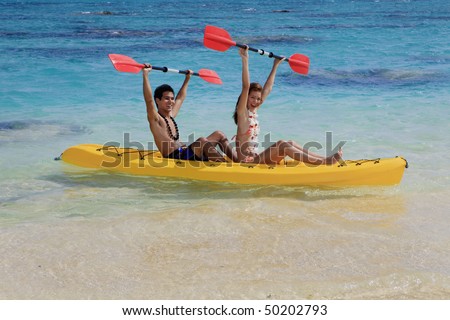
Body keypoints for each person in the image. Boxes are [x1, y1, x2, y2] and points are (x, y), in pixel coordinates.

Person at [233, 47, 343, 165]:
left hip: (257, 158)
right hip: (248, 163)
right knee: (283, 144)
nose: (255, 101)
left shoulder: (254, 111)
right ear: (246, 97)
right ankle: (323, 162)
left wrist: (275, 65)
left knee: (289, 142)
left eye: (258, 99)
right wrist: (245, 59)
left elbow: (268, 89)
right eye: (252, 97)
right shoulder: (243, 114)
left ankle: (324, 158)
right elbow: (245, 86)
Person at [142, 64, 236, 162]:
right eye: (166, 99)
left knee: (219, 134)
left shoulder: (171, 116)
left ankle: (239, 161)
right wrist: (145, 75)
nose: (171, 102)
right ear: (157, 100)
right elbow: (148, 100)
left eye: (172, 98)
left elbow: (180, 98)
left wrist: (187, 78)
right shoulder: (156, 119)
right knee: (202, 141)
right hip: (175, 157)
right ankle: (224, 166)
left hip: (186, 153)